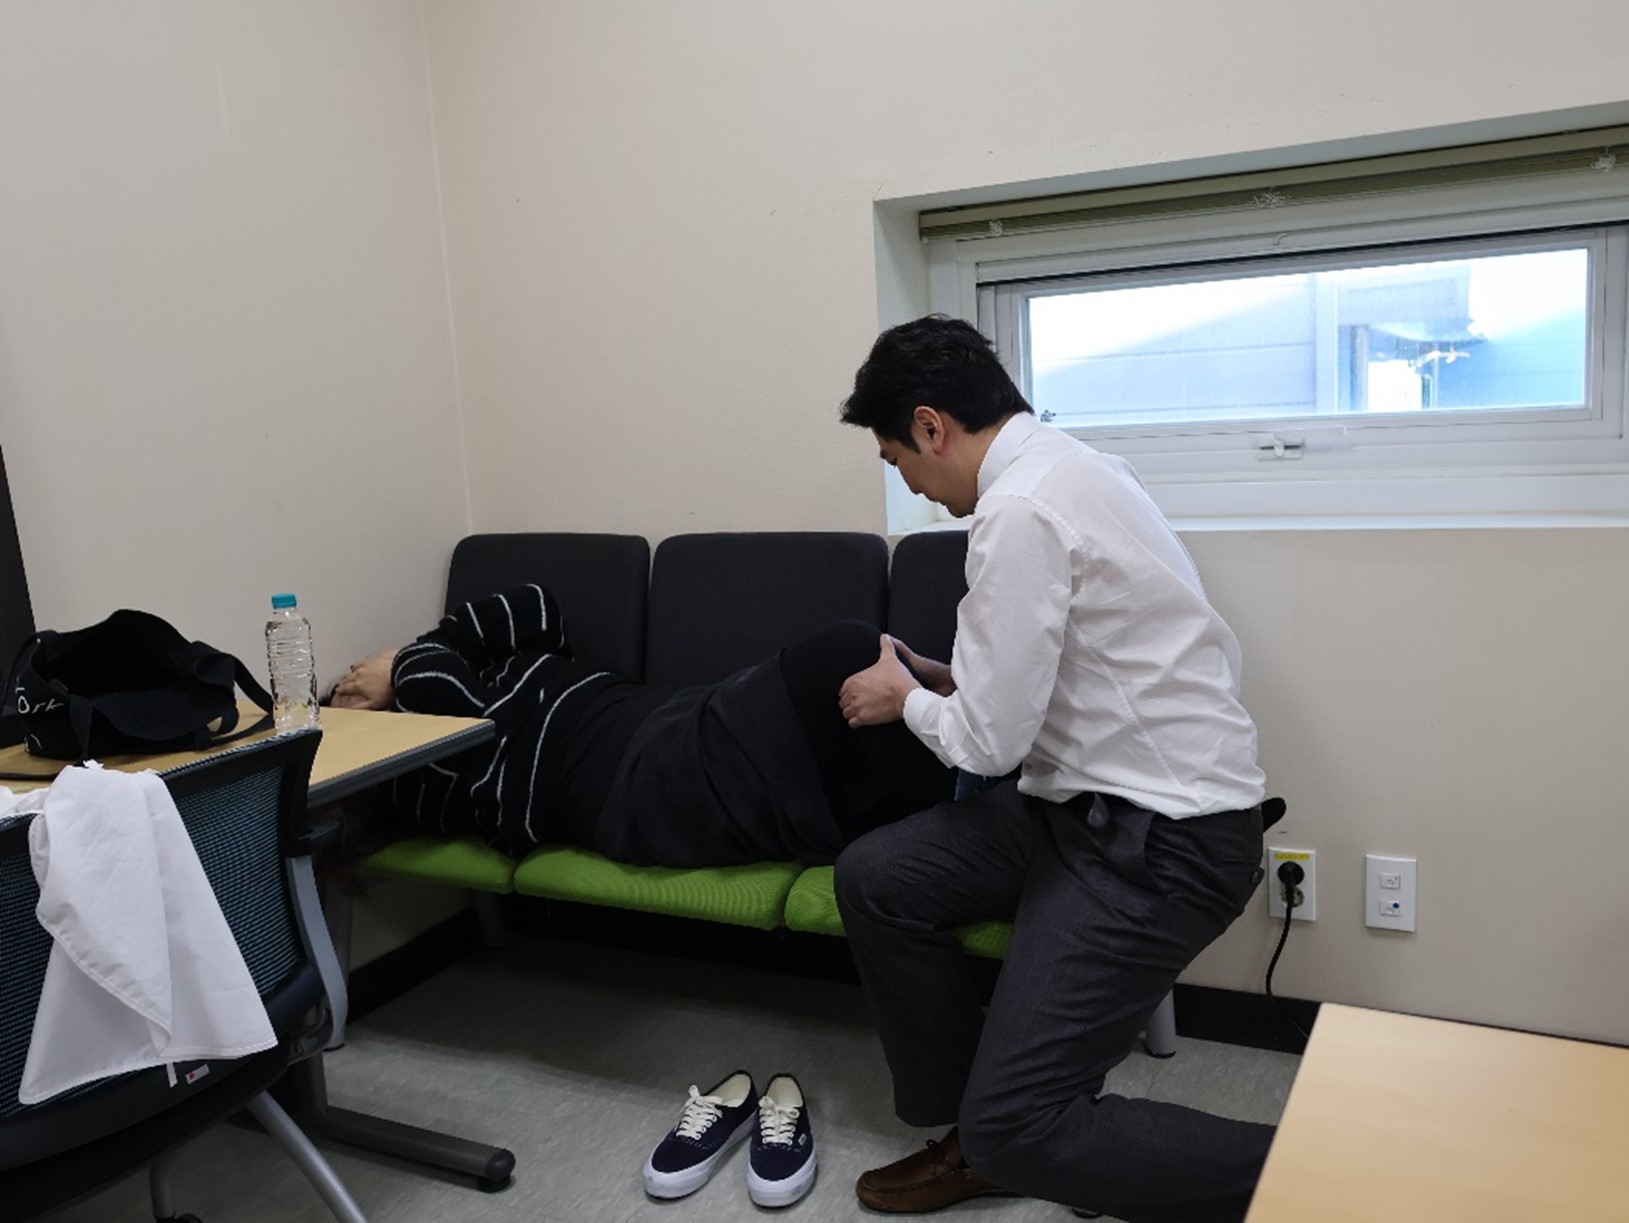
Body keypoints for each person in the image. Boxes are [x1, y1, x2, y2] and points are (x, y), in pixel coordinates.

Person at [833, 315, 1275, 1223]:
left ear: (929, 427)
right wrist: (951, 679)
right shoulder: (1079, 469)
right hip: (1079, 809)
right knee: (877, 877)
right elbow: (1077, 663)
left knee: (1023, 1125)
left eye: (896, 460)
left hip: (1165, 843)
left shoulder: (1019, 509)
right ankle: (977, 1135)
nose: (910, 485)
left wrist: (901, 698)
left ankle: (1328, 1174)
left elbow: (986, 746)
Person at [331, 583, 951, 866]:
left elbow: (535, 606)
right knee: (848, 655)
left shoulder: (468, 676)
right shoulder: (418, 768)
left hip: (676, 719)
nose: (357, 676)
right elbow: (460, 709)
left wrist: (427, 647)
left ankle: (970, 798)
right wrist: (400, 667)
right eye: (350, 692)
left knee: (857, 698)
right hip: (640, 784)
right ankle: (977, 806)